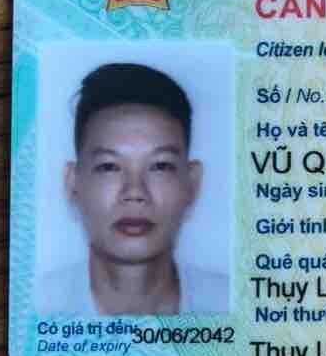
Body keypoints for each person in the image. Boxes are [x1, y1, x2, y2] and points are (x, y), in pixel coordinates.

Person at [39, 62, 228, 315]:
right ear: (73, 184)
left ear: (192, 184)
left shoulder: (234, 306)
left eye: (160, 166)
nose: (135, 192)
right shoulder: (34, 308)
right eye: (109, 167)